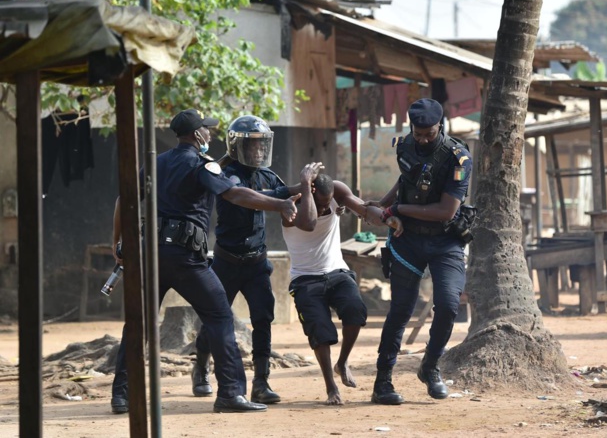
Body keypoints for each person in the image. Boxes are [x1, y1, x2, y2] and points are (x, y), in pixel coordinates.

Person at [109, 109, 301, 414]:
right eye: (207, 130)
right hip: (186, 259)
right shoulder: (202, 165)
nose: (210, 134)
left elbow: (124, 198)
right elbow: (235, 195)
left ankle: (121, 395)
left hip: (151, 256)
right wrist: (279, 204)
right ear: (196, 134)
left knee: (137, 324)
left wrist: (117, 240)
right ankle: (230, 393)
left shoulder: (157, 162)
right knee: (220, 317)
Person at [369, 98, 473, 405]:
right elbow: (406, 179)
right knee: (401, 309)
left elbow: (445, 211)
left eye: (429, 133)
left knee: (448, 305)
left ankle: (430, 368)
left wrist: (397, 208)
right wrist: (384, 205)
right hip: (408, 241)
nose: (424, 139)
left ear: (440, 126)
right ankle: (383, 382)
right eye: (419, 133)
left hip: (445, 241)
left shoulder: (458, 158)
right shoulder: (404, 146)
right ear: (412, 128)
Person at [281, 167, 403, 405]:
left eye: (329, 203)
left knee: (356, 311)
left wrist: (387, 218)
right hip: (305, 278)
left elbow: (365, 209)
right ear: (310, 193)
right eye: (322, 204)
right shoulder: (291, 205)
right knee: (321, 333)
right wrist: (305, 183)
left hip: (337, 271)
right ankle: (331, 387)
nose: (327, 208)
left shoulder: (336, 192)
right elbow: (308, 223)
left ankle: (342, 362)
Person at [191, 115, 291, 404]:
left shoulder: (267, 175)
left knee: (263, 319)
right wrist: (279, 198)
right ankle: (200, 367)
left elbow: (284, 192)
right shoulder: (223, 174)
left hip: (257, 263)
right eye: (252, 145)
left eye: (262, 145)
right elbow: (245, 197)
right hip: (226, 262)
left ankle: (261, 381)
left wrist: (311, 186)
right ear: (236, 146)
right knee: (214, 319)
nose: (258, 151)